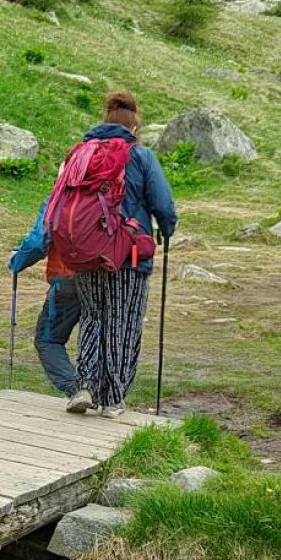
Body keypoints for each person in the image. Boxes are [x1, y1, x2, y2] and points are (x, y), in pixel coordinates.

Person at [64, 91, 176, 418]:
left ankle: (85, 385)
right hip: (127, 255)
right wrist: (166, 230)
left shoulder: (81, 153)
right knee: (123, 323)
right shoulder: (140, 156)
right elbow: (163, 205)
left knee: (93, 317)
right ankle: (112, 399)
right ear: (134, 125)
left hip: (86, 251)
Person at [8, 197, 81, 396]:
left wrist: (17, 261)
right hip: (104, 279)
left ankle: (76, 389)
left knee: (48, 340)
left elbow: (36, 243)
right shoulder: (110, 194)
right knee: (96, 337)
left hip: (66, 279)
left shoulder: (58, 199)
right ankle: (106, 393)